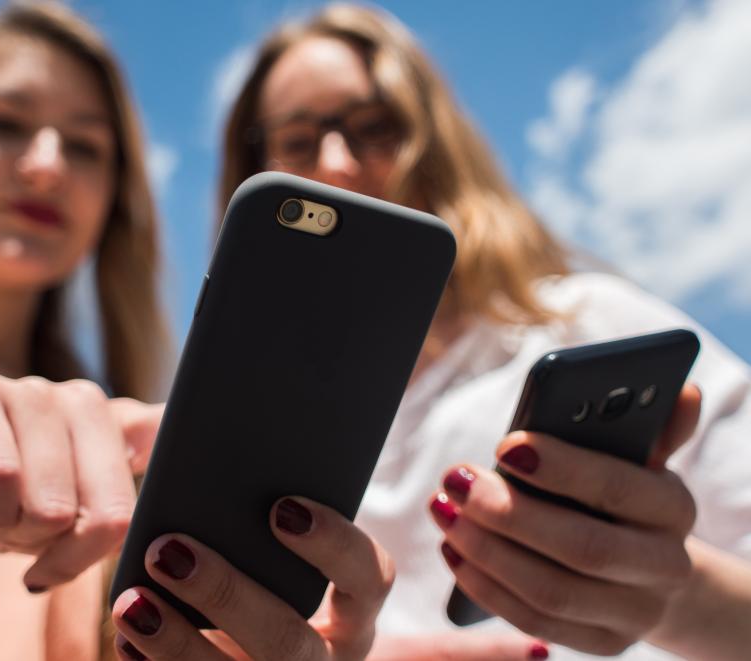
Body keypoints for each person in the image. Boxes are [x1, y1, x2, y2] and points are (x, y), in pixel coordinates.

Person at [0, 4, 394, 661]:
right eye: (4, 124)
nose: (45, 165)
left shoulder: (121, 472)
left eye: (84, 146)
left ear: (107, 202)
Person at [212, 4, 751, 660]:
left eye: (372, 128)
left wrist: (673, 595)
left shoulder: (584, 323)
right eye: (297, 141)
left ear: (433, 143)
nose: (337, 165)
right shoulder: (249, 422)